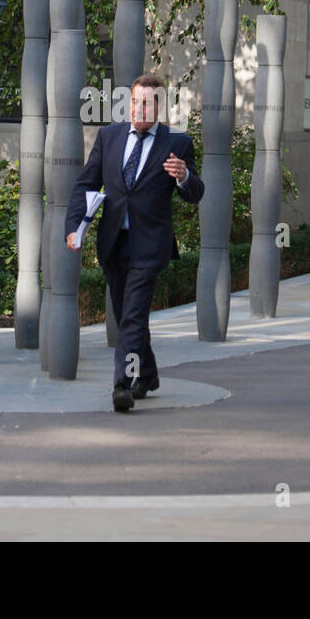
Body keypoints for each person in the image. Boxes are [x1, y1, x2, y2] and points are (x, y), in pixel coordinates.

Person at [65, 74, 204, 412]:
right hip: (114, 243)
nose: (140, 108)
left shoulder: (177, 142)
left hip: (150, 245)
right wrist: (73, 228)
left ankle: (123, 384)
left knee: (132, 316)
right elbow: (86, 185)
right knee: (126, 313)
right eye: (135, 102)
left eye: (148, 102)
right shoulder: (109, 137)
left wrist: (184, 176)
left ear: (159, 106)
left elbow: (196, 193)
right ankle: (150, 373)